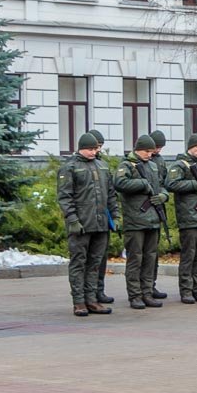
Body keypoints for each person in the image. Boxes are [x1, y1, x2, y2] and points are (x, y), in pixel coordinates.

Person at [57, 131, 118, 317]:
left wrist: (115, 217)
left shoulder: (103, 166)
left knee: (95, 263)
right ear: (81, 148)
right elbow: (65, 197)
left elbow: (111, 195)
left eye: (95, 148)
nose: (94, 152)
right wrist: (73, 220)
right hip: (81, 224)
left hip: (100, 224)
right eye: (90, 149)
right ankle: (79, 301)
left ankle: (92, 300)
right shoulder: (70, 168)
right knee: (79, 263)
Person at [113, 135, 166, 309]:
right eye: (146, 151)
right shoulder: (127, 165)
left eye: (152, 151)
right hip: (135, 219)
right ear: (138, 149)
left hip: (153, 219)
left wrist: (163, 195)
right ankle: (135, 295)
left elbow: (163, 184)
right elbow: (119, 183)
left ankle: (147, 292)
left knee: (150, 258)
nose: (150, 154)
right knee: (135, 259)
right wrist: (142, 184)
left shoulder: (152, 165)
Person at [165, 134, 197, 304]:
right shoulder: (180, 165)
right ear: (189, 148)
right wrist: (193, 185)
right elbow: (171, 184)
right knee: (189, 255)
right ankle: (186, 290)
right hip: (189, 216)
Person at [85, 128, 115, 304]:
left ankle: (99, 289)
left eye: (101, 147)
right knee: (89, 258)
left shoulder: (102, 164)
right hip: (88, 219)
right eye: (96, 146)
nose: (98, 150)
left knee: (101, 257)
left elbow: (110, 191)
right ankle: (88, 293)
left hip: (104, 217)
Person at [148, 130, 171, 299]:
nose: (157, 151)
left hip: (158, 209)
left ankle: (151, 284)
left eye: (160, 148)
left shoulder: (160, 161)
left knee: (153, 254)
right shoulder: (140, 161)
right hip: (144, 211)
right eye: (156, 147)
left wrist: (164, 194)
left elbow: (165, 182)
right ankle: (143, 288)